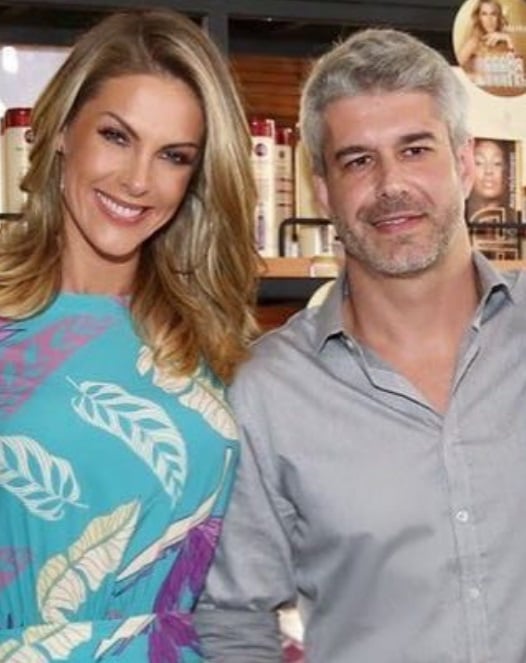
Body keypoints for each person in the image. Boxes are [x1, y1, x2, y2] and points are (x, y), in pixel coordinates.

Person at [195, 27, 526, 662]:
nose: (390, 184)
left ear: (464, 163)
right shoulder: (271, 392)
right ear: (322, 189)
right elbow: (233, 622)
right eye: (357, 161)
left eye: (415, 150)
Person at [0, 8, 258, 662]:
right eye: (116, 136)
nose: (138, 180)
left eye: (174, 156)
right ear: (63, 130)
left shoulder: (209, 334)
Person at [457, 0, 514, 80]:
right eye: (484, 14)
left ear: (499, 17)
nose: (489, 19)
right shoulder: (473, 42)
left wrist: (508, 39)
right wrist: (477, 78)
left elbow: (515, 73)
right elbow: (454, 71)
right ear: (479, 18)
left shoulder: (505, 41)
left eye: (493, 14)